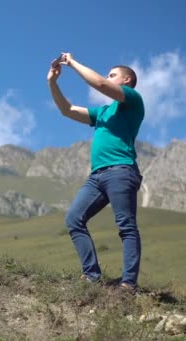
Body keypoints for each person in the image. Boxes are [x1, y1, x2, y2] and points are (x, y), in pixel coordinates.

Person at [47, 53, 145, 290]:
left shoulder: (132, 99)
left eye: (113, 75)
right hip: (97, 176)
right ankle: (92, 276)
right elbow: (68, 110)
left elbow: (100, 83)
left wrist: (72, 62)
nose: (108, 77)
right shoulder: (102, 112)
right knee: (74, 219)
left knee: (126, 226)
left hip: (121, 171)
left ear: (127, 80)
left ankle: (128, 284)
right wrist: (52, 82)